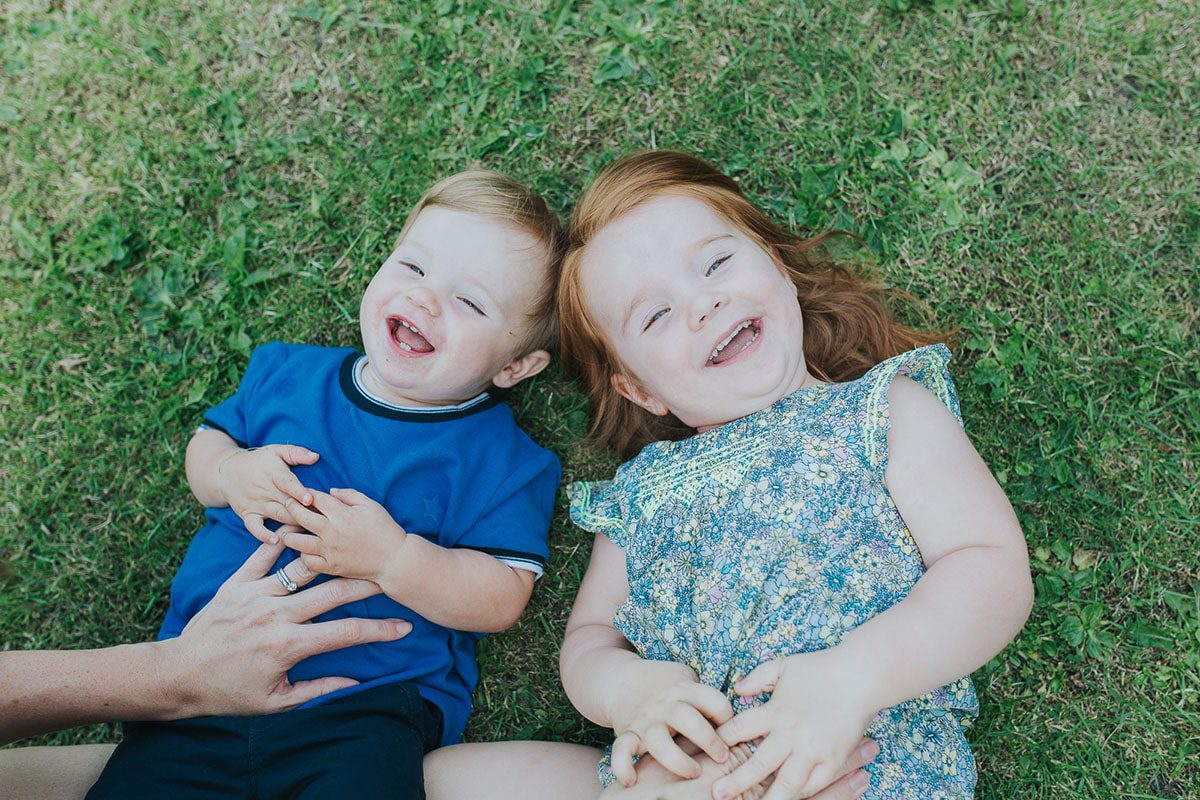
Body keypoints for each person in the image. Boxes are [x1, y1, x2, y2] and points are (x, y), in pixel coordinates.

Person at [556, 151, 1035, 800]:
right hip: (678, 777)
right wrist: (626, 688)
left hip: (861, 768)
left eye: (717, 263)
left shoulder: (881, 411)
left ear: (776, 268)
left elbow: (990, 568)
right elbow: (589, 638)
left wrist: (855, 675)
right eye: (656, 316)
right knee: (443, 777)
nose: (703, 302)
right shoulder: (643, 495)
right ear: (640, 389)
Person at [83, 169, 565, 799]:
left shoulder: (505, 460)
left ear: (514, 366)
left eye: (470, 302)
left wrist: (395, 559)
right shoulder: (285, 372)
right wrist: (231, 472)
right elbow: (205, 452)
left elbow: (501, 598)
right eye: (414, 268)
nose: (425, 299)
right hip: (195, 683)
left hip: (361, 711)